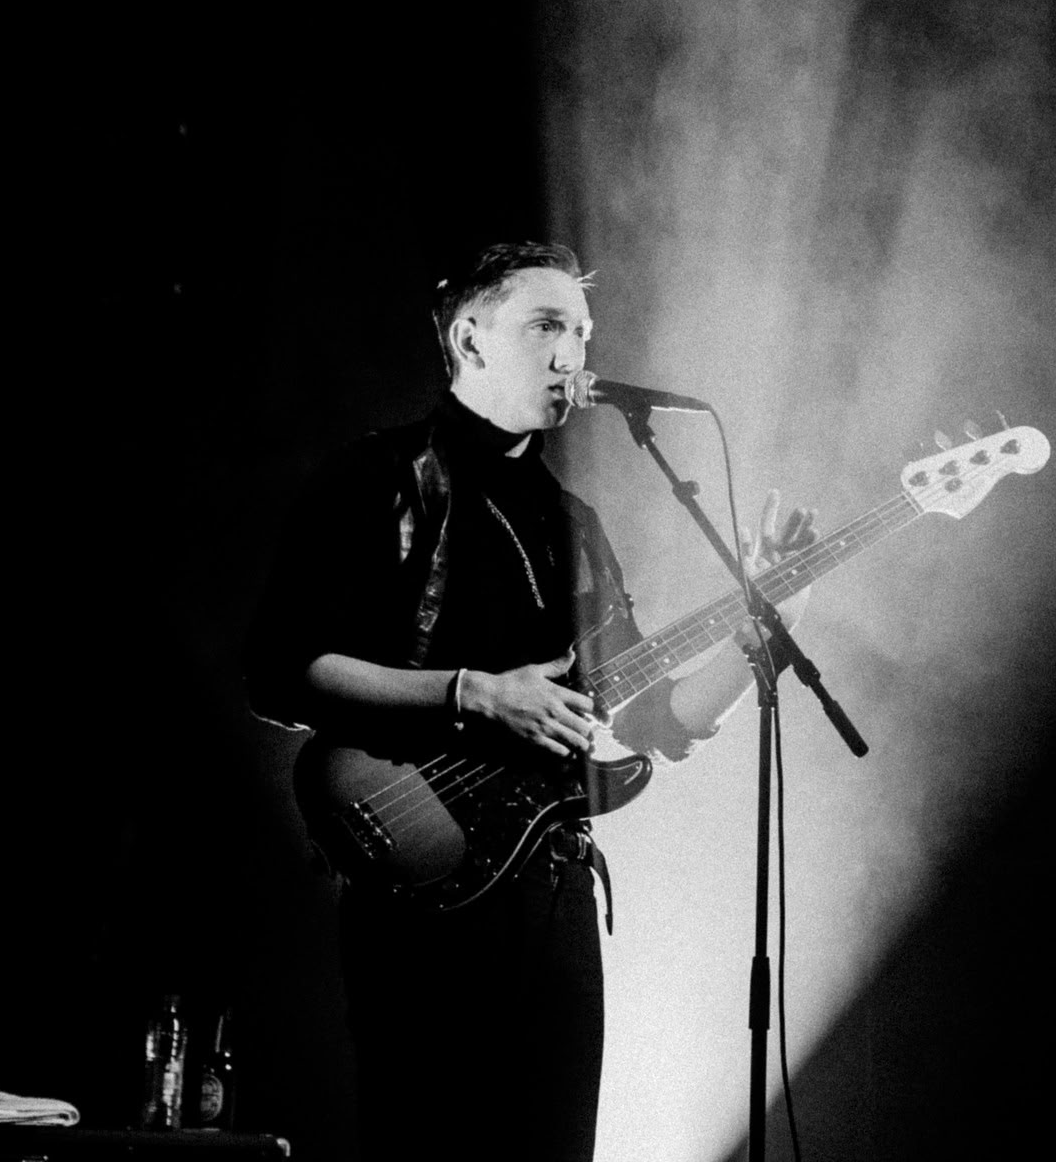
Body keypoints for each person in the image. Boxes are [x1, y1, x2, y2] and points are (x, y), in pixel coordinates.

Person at [246, 241, 813, 1161]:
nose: (574, 354)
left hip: (551, 891)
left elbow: (651, 721)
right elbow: (279, 670)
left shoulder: (574, 525)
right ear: (470, 338)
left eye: (582, 332)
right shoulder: (379, 478)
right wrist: (473, 695)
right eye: (547, 326)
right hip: (420, 890)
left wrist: (759, 629)